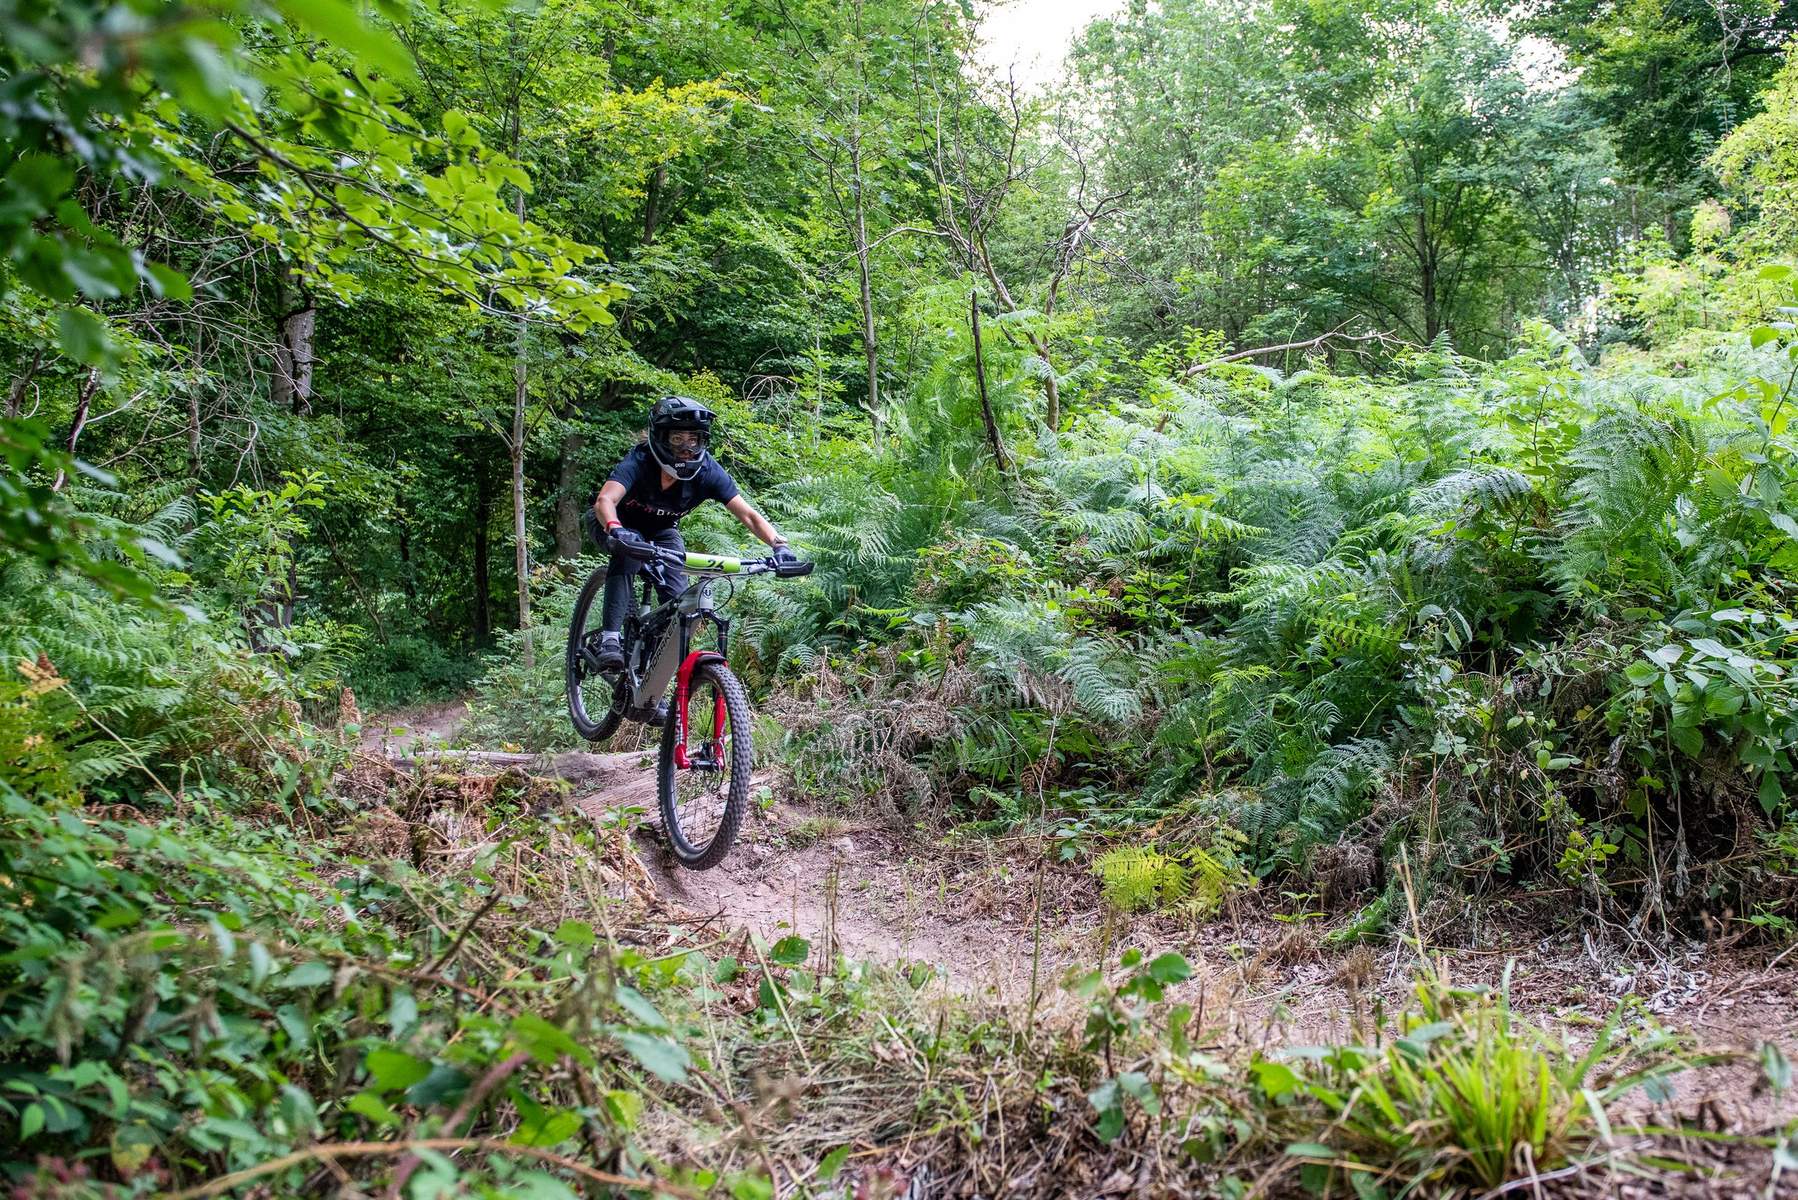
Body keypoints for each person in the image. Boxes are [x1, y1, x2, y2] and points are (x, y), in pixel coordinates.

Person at [583, 395, 796, 672]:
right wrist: (616, 529)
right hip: (614, 523)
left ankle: (647, 667)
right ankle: (610, 639)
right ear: (660, 437)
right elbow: (605, 501)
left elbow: (748, 514)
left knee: (680, 601)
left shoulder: (707, 471)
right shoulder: (640, 461)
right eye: (677, 439)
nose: (686, 448)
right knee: (628, 554)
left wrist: (778, 545)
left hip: (661, 531)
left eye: (693, 440)